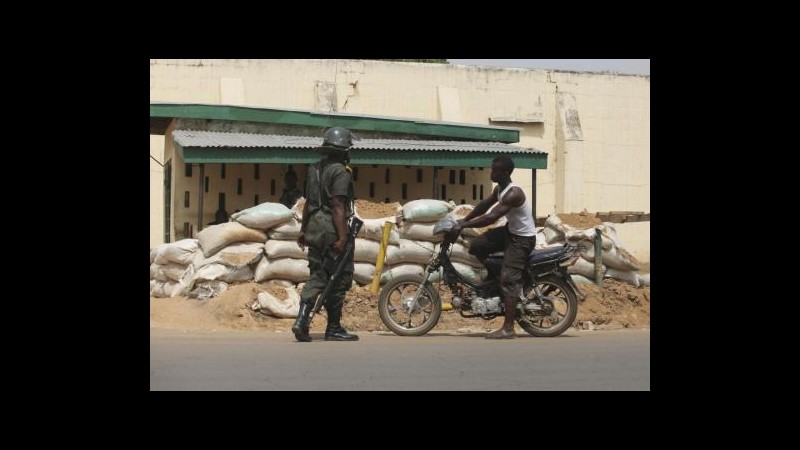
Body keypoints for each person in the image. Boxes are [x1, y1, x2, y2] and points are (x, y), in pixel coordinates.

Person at [446, 156, 536, 339]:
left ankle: (509, 328)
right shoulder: (500, 189)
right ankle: (495, 282)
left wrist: (462, 226)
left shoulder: (514, 193)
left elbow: (491, 217)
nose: (491, 172)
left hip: (522, 240)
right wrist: (464, 219)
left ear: (504, 173)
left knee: (509, 279)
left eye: (494, 170)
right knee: (477, 246)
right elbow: (484, 206)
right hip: (510, 232)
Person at [291, 127, 359, 342]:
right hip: (332, 227)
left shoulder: (315, 169)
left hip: (314, 226)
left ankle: (303, 319)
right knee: (336, 277)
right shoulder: (340, 171)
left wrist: (304, 230)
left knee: (318, 272)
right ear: (342, 150)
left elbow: (309, 202)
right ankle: (332, 327)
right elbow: (338, 204)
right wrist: (342, 237)